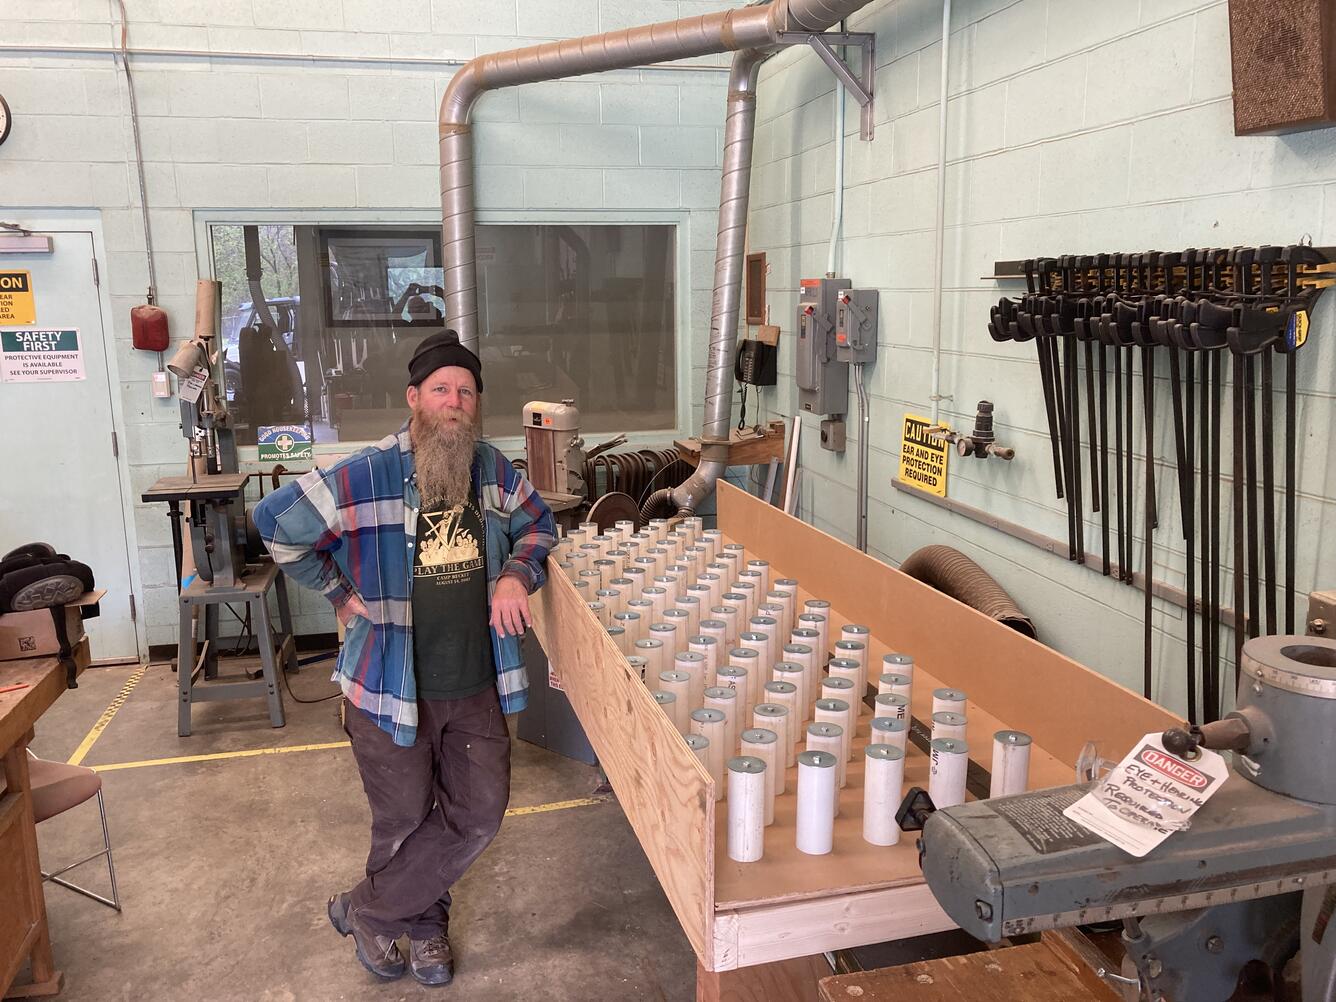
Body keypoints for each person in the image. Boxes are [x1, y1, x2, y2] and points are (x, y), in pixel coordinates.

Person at [254, 330, 555, 986]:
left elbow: (539, 524)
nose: (455, 402)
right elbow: (275, 522)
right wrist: (336, 592)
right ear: (414, 397)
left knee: (477, 813)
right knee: (403, 822)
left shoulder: (491, 470)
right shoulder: (366, 473)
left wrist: (516, 576)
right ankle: (423, 930)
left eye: (466, 392)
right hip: (389, 687)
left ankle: (366, 911)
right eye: (441, 389)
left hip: (476, 683)